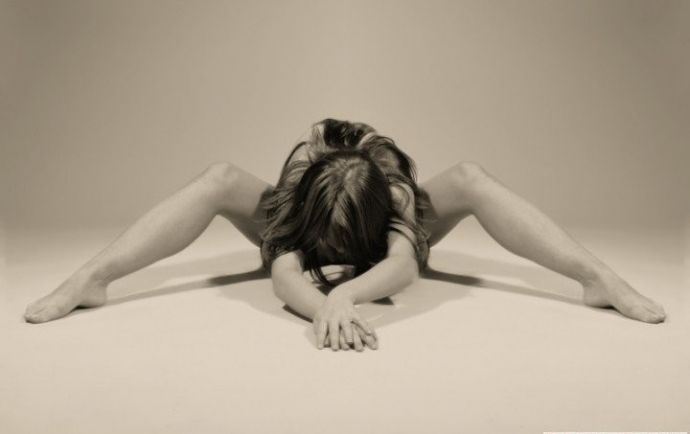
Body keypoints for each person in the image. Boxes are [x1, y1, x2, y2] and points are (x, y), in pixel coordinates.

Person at [24, 118, 666, 351]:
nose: (334, 258)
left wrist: (345, 295)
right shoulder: (294, 202)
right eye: (327, 245)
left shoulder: (397, 199)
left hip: (377, 206)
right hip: (304, 206)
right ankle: (91, 279)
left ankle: (598, 279)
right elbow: (283, 273)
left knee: (471, 175)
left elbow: (403, 267)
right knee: (218, 175)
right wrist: (323, 305)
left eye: (342, 246)